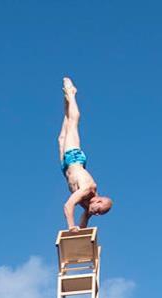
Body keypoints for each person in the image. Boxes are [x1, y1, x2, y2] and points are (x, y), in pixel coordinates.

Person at [59, 77, 113, 231]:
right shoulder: (88, 189)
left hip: (65, 166)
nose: (95, 213)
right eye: (99, 211)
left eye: (99, 215)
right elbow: (68, 205)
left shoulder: (87, 205)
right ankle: (72, 93)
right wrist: (71, 227)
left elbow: (82, 225)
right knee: (73, 122)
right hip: (74, 158)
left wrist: (79, 231)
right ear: (99, 201)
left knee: (63, 134)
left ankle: (67, 99)